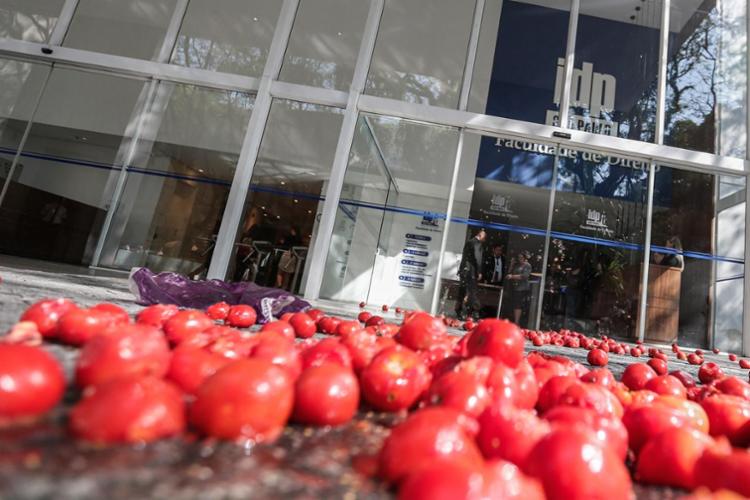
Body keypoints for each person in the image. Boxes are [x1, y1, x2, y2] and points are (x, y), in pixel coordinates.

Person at [455, 228, 486, 320]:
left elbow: (464, 257)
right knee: (471, 292)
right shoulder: (477, 244)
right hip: (471, 271)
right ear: (481, 236)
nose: (484, 240)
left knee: (463, 291)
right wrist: (479, 271)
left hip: (464, 271)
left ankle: (459, 311)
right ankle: (472, 313)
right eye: (484, 238)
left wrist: (461, 269)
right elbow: (477, 258)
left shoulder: (469, 242)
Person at [506, 250, 532, 326]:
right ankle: (514, 320)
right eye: (519, 257)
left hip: (522, 288)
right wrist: (511, 264)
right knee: (515, 304)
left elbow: (524, 276)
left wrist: (512, 276)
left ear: (525, 258)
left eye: (521, 257)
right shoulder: (517, 265)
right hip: (515, 287)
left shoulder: (527, 265)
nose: (520, 259)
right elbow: (509, 273)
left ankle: (517, 322)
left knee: (518, 304)